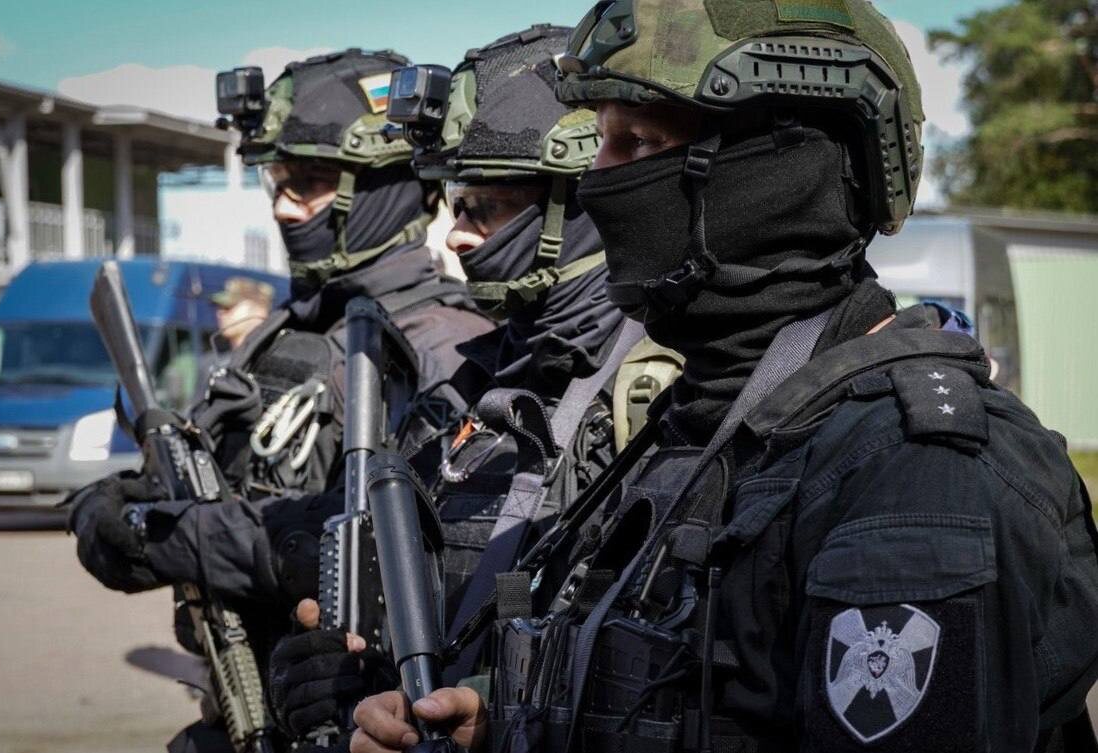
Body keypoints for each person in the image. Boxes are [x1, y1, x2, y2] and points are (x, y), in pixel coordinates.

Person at [348, 2, 1098, 752]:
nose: (597, 180)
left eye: (640, 141)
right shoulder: (704, 423)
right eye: (601, 141)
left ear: (783, 173)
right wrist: (497, 728)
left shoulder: (912, 474)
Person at [66, 48, 494, 753]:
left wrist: (174, 535)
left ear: (385, 188)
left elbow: (401, 540)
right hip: (243, 701)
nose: (283, 207)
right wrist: (123, 513)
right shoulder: (287, 328)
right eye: (278, 183)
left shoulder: (444, 346)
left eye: (312, 184)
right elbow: (206, 477)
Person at [265, 24, 682, 747]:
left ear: (575, 205)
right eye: (457, 205)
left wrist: (492, 713)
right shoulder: (475, 383)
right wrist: (354, 678)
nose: (456, 234)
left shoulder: (662, 391)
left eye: (485, 208)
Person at [212, 276, 274, 351]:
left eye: (228, 307)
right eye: (219, 307)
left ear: (259, 310)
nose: (220, 313)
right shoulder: (216, 357)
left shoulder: (275, 354)